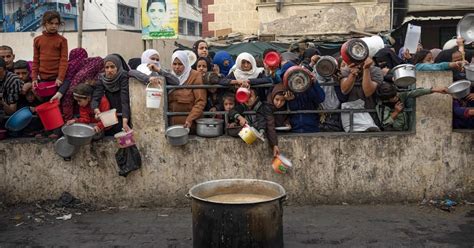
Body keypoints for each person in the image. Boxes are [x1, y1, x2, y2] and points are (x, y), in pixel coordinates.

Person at [31, 11, 70, 104]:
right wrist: (34, 78)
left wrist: (60, 78)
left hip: (57, 80)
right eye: (51, 23)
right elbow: (36, 60)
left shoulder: (62, 40)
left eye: (56, 24)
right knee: (45, 104)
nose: (54, 26)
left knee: (56, 104)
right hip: (43, 79)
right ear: (45, 23)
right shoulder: (37, 40)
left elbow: (64, 60)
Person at [376, 83, 447, 131]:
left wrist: (434, 90)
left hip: (406, 129)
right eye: (393, 97)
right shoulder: (382, 106)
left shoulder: (399, 94)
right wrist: (396, 112)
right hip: (393, 133)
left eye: (396, 94)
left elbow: (415, 92)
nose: (396, 97)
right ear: (386, 99)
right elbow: (384, 124)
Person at [229, 88, 279, 156]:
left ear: (256, 98)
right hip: (248, 134)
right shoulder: (242, 106)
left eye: (250, 96)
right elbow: (231, 111)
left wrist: (274, 145)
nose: (248, 99)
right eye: (246, 96)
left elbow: (269, 125)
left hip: (259, 133)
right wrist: (240, 118)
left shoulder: (263, 107)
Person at [92, 54, 131, 134]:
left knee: (119, 130)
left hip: (123, 114)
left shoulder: (123, 76)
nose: (109, 70)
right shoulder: (102, 79)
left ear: (118, 67)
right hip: (110, 114)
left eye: (112, 67)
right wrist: (97, 111)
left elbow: (124, 100)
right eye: (107, 67)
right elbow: (96, 98)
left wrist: (125, 120)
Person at [167, 50, 206, 130]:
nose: (177, 67)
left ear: (186, 63)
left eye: (180, 64)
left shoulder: (195, 76)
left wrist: (190, 119)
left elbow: (200, 101)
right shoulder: (170, 77)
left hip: (189, 125)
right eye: (174, 64)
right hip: (172, 125)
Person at [62, 56, 104, 120]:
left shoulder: (102, 101)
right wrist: (74, 120)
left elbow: (107, 120)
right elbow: (85, 118)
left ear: (88, 98)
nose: (78, 103)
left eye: (79, 101)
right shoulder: (83, 105)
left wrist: (99, 126)